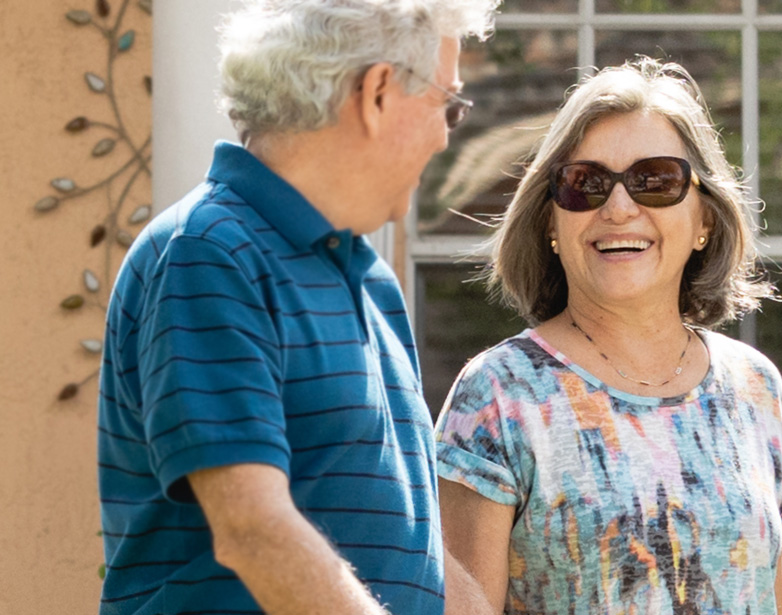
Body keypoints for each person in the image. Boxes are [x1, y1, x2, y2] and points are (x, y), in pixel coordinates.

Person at [97, 1, 500, 613]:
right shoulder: (208, 252)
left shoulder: (371, 280)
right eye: (448, 103)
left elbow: (404, 542)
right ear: (378, 93)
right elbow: (253, 531)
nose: (449, 133)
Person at [435, 57, 782, 615]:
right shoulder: (499, 396)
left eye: (655, 181)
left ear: (704, 219)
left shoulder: (756, 388)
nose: (619, 207)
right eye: (584, 185)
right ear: (551, 223)